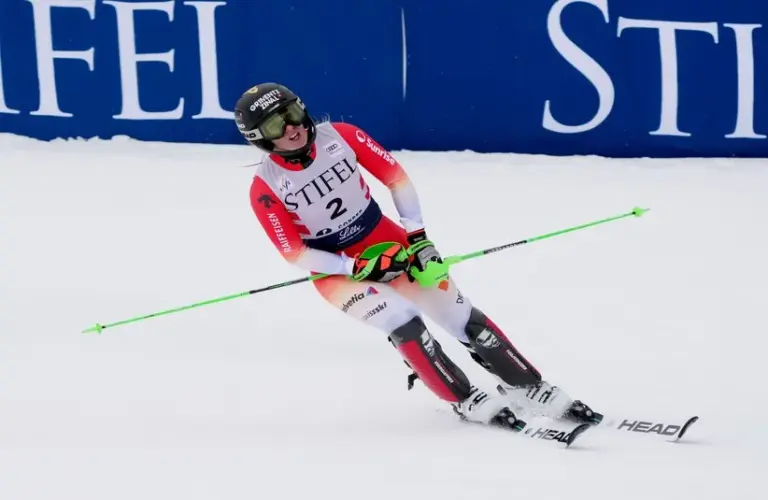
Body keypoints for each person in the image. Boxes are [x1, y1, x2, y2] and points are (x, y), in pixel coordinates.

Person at [234, 82, 603, 431]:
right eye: (276, 123)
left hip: (386, 238)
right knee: (404, 322)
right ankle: (462, 398)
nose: (292, 127)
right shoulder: (264, 188)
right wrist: (353, 266)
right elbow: (295, 254)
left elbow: (397, 179)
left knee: (460, 314)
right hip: (335, 269)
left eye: (294, 113)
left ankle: (525, 385)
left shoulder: (341, 136)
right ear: (260, 138)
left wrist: (419, 237)